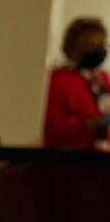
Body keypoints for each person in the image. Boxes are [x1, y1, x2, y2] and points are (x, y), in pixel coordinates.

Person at [43, 16, 110, 150]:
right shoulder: (58, 80)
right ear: (72, 48)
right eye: (91, 45)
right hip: (70, 160)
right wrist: (90, 124)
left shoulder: (103, 79)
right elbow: (53, 129)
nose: (98, 50)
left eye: (101, 44)